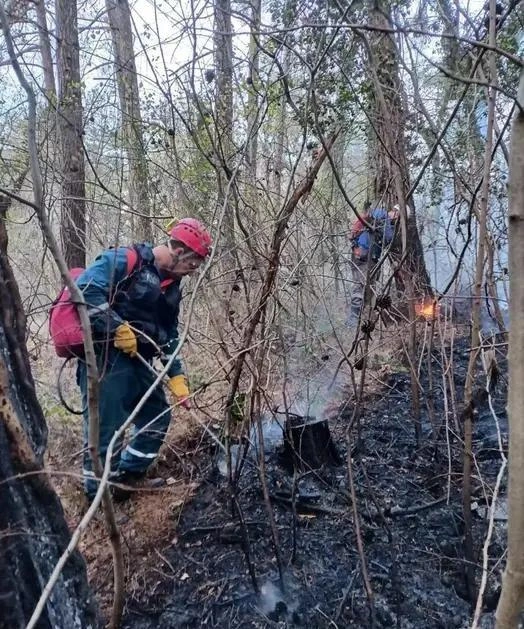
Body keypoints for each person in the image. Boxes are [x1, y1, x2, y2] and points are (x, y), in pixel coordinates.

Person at [76, 218, 212, 501]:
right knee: (105, 429)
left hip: (139, 360)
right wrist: (116, 327)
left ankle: (127, 478)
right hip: (106, 359)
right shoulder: (125, 260)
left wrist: (176, 375)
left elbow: (169, 331)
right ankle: (99, 498)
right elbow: (85, 291)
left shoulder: (172, 286)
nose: (193, 270)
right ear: (177, 249)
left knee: (157, 416)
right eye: (192, 263)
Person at [348, 201, 400, 326]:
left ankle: (365, 320)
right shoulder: (382, 215)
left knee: (369, 290)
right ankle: (352, 322)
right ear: (397, 213)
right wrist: (395, 236)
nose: (397, 221)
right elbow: (388, 238)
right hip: (364, 257)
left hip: (365, 256)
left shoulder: (377, 214)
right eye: (399, 218)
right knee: (360, 288)